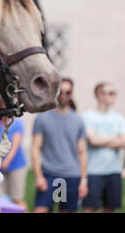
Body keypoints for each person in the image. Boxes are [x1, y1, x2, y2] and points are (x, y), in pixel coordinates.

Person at [31, 78, 88, 213]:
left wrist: (84, 180)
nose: (63, 95)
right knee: (40, 210)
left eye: (67, 92)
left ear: (72, 94)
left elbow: (82, 152)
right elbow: (35, 148)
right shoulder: (42, 118)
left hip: (71, 176)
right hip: (49, 175)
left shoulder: (78, 121)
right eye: (60, 91)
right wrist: (38, 176)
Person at [82, 82, 125, 213]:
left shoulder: (118, 117)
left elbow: (124, 141)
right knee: (89, 208)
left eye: (114, 93)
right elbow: (93, 140)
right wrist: (115, 140)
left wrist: (102, 140)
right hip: (93, 171)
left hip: (114, 171)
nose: (114, 96)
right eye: (110, 93)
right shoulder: (88, 116)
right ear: (99, 95)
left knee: (110, 208)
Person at [0, 99, 28, 210]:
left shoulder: (16, 124)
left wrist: (7, 161)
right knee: (0, 198)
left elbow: (15, 146)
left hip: (16, 166)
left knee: (16, 198)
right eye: (3, 107)